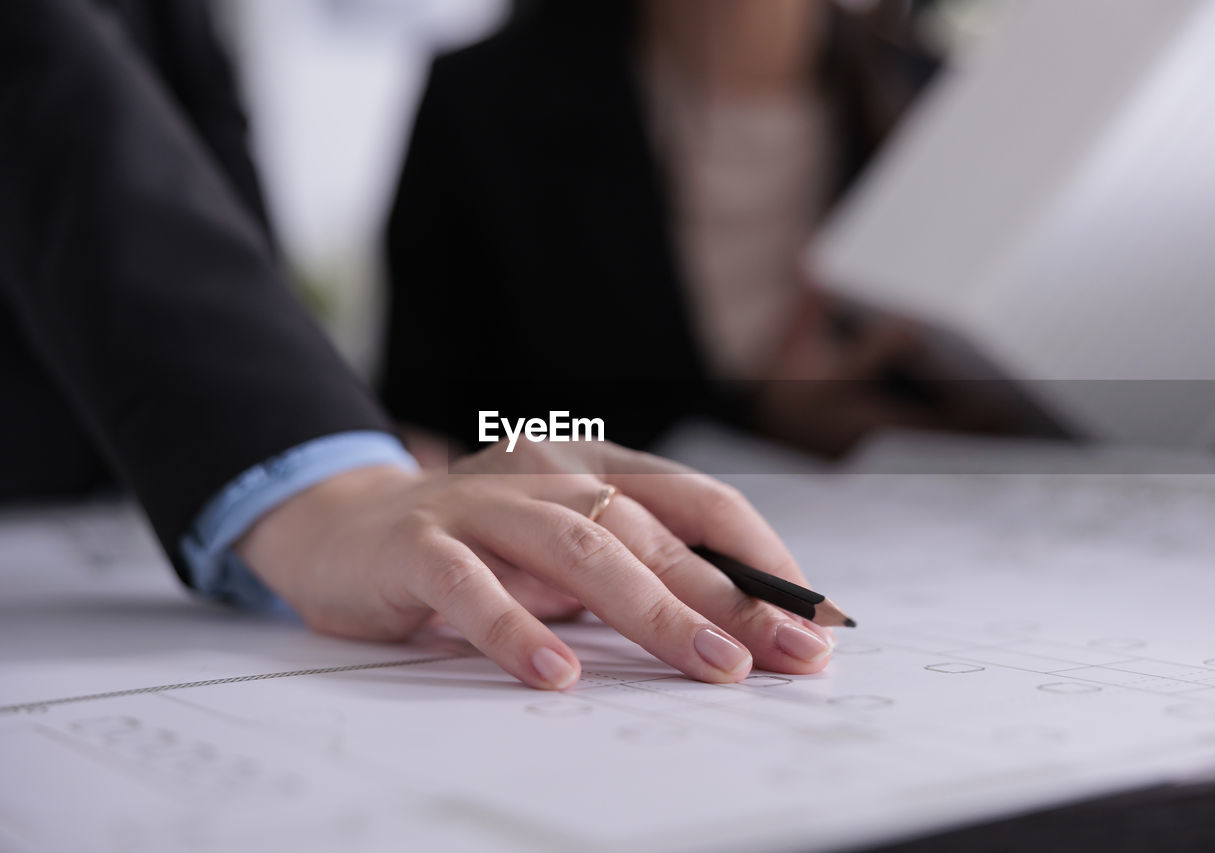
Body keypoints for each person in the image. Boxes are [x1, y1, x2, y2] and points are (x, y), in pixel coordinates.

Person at [0, 0, 837, 691]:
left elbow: (199, 193)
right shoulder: (496, 89)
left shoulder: (898, 93)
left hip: (133, 501)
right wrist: (314, 477)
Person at [382, 0, 994, 460]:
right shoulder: (485, 104)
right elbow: (440, 424)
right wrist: (760, 419)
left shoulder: (953, 107)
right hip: (588, 561)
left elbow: (1013, 420)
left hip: (911, 558)